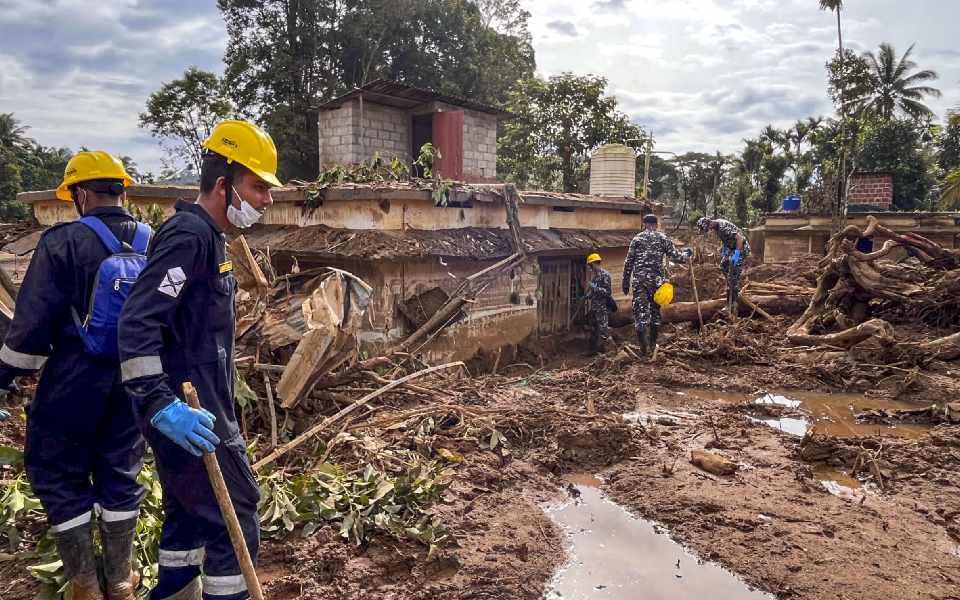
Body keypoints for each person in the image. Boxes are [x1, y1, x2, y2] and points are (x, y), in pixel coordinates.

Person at [118, 120, 279, 600]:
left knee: (188, 515)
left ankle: (174, 593)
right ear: (225, 185)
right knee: (237, 513)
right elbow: (137, 323)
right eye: (258, 187)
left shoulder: (211, 239)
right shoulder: (188, 236)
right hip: (190, 414)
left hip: (197, 410)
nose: (266, 200)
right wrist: (160, 405)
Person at [0, 151, 146, 600]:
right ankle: (120, 579)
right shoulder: (153, 241)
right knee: (121, 470)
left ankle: (84, 581)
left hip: (72, 379)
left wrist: (4, 380)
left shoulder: (62, 242)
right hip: (134, 380)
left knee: (59, 471)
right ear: (122, 190)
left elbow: (30, 326)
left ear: (81, 193)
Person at [622, 214, 691, 357]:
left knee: (640, 314)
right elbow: (676, 257)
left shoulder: (637, 239)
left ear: (644, 224)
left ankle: (644, 349)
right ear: (656, 224)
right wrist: (687, 254)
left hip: (640, 282)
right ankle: (652, 346)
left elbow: (628, 262)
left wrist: (625, 282)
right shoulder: (662, 238)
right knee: (655, 314)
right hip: (657, 282)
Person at [697, 217, 750, 316]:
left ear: (710, 224)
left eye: (708, 229)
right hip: (731, 248)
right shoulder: (717, 227)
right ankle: (733, 285)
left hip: (741, 248)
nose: (709, 231)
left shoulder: (723, 227)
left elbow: (740, 238)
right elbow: (727, 240)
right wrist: (725, 251)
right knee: (723, 265)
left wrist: (737, 254)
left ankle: (732, 303)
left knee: (733, 272)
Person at [585, 253, 613, 355]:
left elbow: (607, 292)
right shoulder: (595, 277)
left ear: (594, 264)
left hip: (602, 307)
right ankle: (592, 351)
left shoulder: (605, 275)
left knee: (603, 330)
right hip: (595, 307)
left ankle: (609, 352)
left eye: (590, 265)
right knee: (593, 330)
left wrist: (594, 287)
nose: (590, 268)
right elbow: (594, 293)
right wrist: (587, 296)